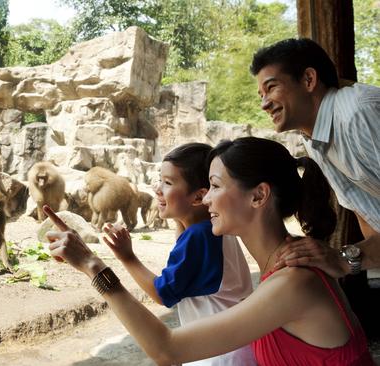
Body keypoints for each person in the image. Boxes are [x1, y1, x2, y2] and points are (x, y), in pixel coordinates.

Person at [45, 137, 373, 365]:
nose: (206, 199)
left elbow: (166, 349)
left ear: (258, 196)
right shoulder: (283, 268)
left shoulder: (293, 282)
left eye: (215, 187)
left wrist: (91, 264)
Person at [102, 142, 255, 365]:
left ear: (198, 197)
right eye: (159, 180)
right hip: (233, 350)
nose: (157, 189)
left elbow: (162, 293)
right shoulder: (215, 228)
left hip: (216, 357)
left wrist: (127, 257)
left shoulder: (198, 237)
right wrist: (179, 216)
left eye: (167, 183)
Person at [249, 38, 380, 280]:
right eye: (261, 94)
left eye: (271, 87)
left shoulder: (358, 114)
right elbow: (369, 219)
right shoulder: (314, 140)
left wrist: (342, 258)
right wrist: (344, 258)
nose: (264, 104)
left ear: (309, 79)